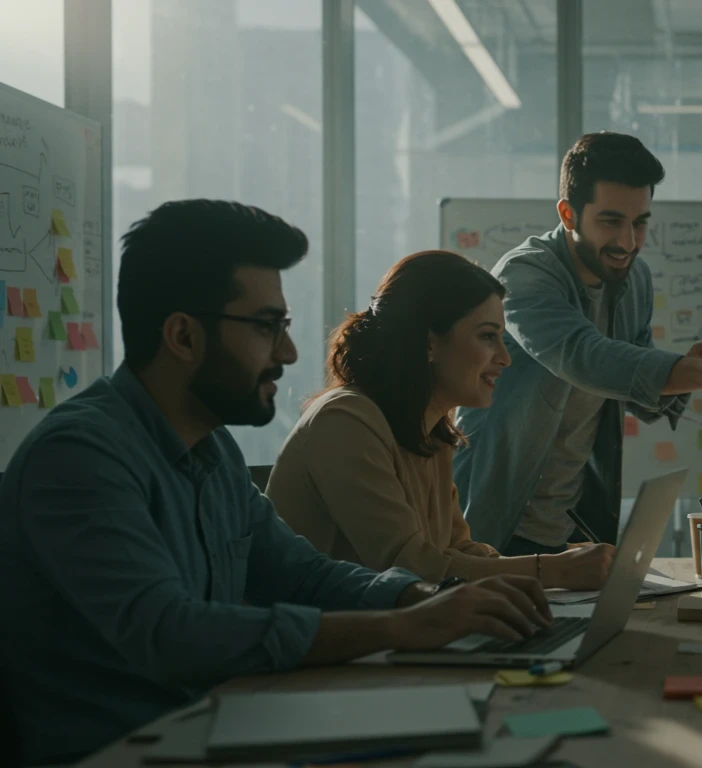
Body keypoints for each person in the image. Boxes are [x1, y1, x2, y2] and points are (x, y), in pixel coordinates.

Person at [0, 201, 553, 766]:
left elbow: (300, 572)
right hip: (127, 751)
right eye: (267, 327)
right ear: (183, 337)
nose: (288, 352)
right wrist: (400, 626)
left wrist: (422, 599)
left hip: (221, 725)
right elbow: (172, 634)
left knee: (510, 741)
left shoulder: (210, 448)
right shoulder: (79, 459)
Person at [453, 132, 702, 555]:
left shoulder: (634, 278)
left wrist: (687, 370)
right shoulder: (525, 275)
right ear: (568, 213)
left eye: (640, 223)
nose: (628, 242)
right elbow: (585, 358)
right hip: (496, 520)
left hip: (573, 523)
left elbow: (633, 389)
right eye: (611, 221)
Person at [269, 250, 616, 590]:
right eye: (487, 336)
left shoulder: (430, 430)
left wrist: (564, 558)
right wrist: (551, 570)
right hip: (334, 641)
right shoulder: (344, 422)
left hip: (395, 636)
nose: (505, 358)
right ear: (428, 343)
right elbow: (410, 568)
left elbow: (459, 552)